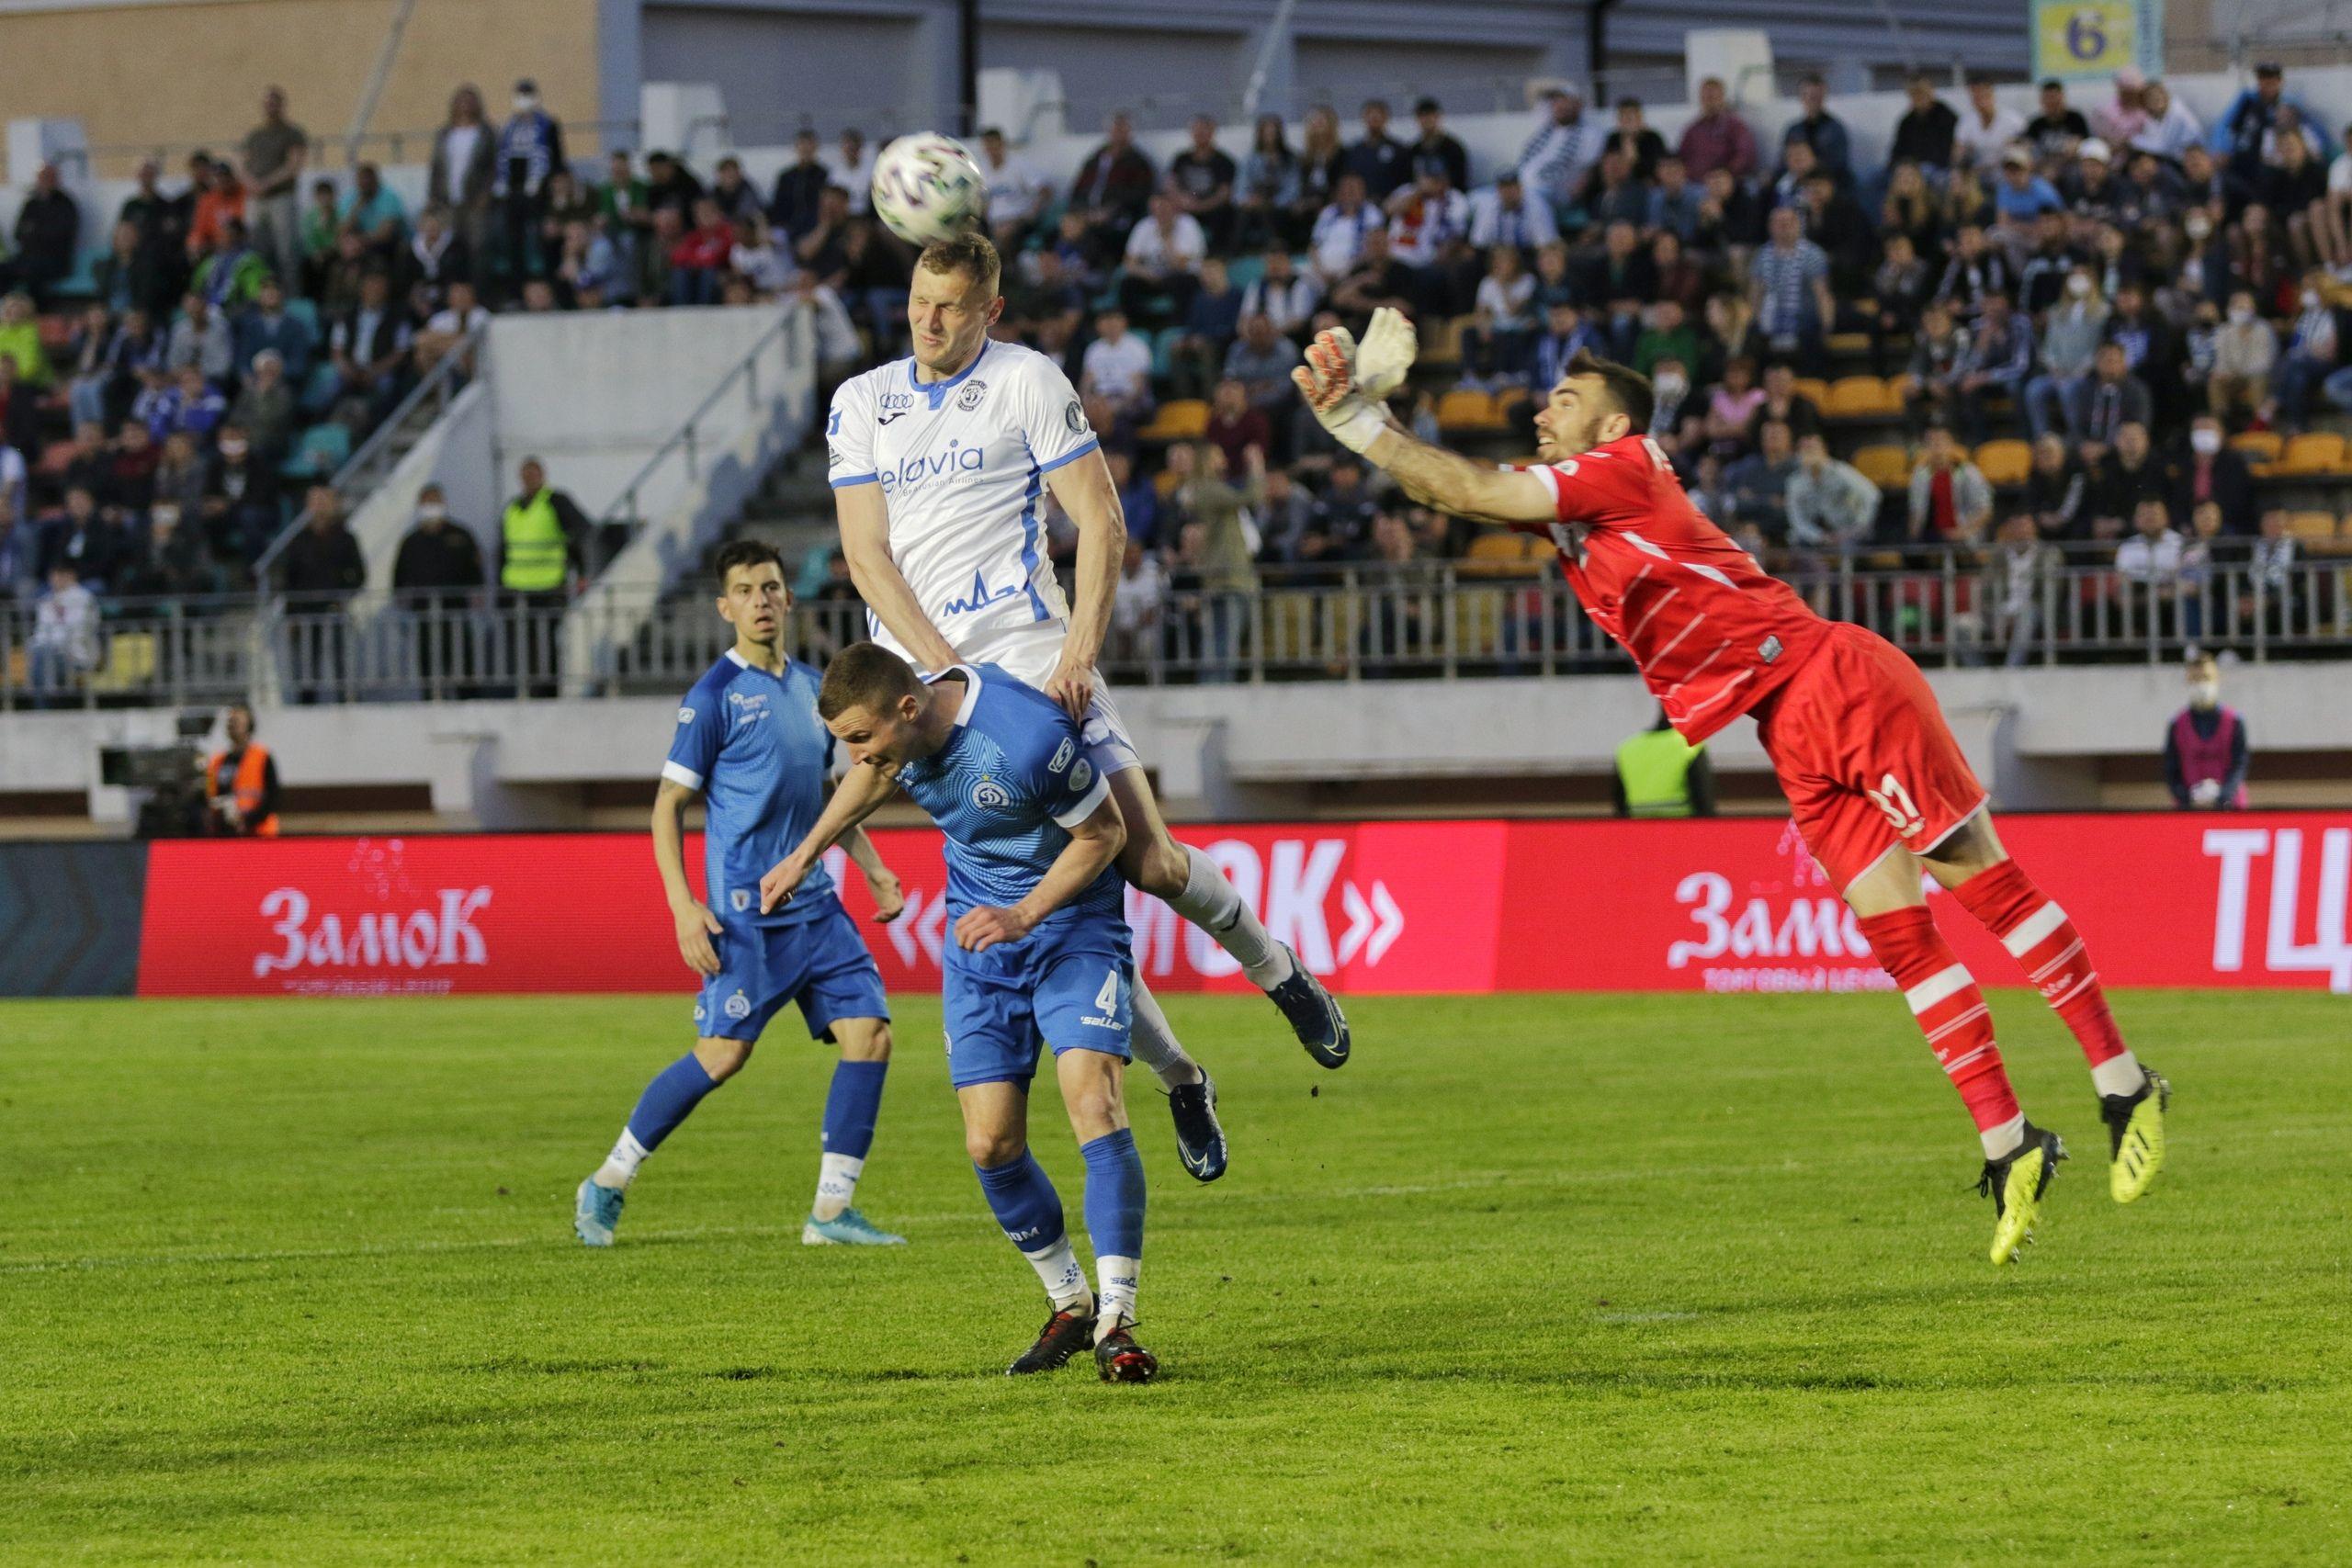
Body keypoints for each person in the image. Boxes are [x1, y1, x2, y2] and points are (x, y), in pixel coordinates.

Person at [1295, 328, 2170, 1261]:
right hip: (1784, 728)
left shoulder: (1622, 468)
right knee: (1902, 944)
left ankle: (2124, 1084)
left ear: (1614, 421)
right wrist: (1375, 418)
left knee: (1982, 886)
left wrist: (1360, 423)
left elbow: (1468, 488)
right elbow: (1451, 487)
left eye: (1561, 397)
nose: (1540, 409)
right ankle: (2011, 1145)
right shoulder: (1577, 512)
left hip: (1838, 680)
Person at [823, 232, 1351, 1183]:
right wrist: (947, 680)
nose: (927, 320)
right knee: (1059, 917)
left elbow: (1099, 521)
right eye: (917, 300)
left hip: (1031, 659)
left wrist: (1078, 653)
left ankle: (1279, 973)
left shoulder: (1029, 380)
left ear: (989, 310)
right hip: (923, 702)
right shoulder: (861, 401)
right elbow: (866, 557)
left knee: (1146, 858)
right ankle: (1183, 1076)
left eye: (949, 306)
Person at [760, 644, 1156, 1380]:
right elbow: (870, 774)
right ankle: (1070, 1302)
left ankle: (1118, 1320)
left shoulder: (1025, 737)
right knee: (990, 1144)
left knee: (1093, 1100)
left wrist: (1026, 912)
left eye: (860, 736)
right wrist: (807, 852)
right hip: (981, 941)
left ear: (907, 708)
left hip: (1070, 926)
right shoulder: (894, 739)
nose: (854, 755)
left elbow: (1104, 834)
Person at [572, 539, 909, 1249]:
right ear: (725, 607)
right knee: (723, 1054)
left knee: (870, 1035)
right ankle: (608, 1180)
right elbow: (667, 806)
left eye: (772, 586)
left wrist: (873, 867)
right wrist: (684, 906)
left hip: (815, 904)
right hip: (746, 915)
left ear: (789, 599)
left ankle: (830, 1211)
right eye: (746, 589)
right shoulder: (713, 698)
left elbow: (829, 799)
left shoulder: (816, 692)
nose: (761, 599)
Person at [2165, 652, 2249, 808]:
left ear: (2216, 679)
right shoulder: (2177, 724)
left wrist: (2223, 795)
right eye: (2196, 679)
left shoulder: (2234, 721)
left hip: (2230, 808)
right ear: (2188, 681)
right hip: (2188, 810)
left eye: (2206, 678)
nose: (2201, 684)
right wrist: (2188, 797)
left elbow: (2240, 765)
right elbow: (2171, 770)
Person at [1613, 708, 1714, 818]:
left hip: (1638, 826)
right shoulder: (1690, 745)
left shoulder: (1628, 747)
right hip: (1680, 826)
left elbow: (1618, 799)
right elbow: (1703, 799)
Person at [204, 702, 281, 836]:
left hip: (259, 832)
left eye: (237, 720)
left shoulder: (263, 757)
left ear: (249, 724)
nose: (232, 724)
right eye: (230, 721)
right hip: (227, 833)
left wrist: (248, 821)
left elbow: (273, 796)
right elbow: (211, 796)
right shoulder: (217, 761)